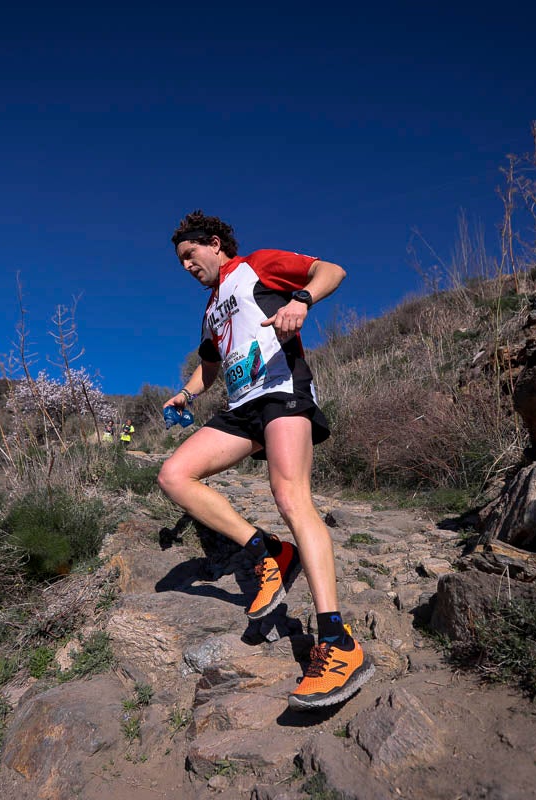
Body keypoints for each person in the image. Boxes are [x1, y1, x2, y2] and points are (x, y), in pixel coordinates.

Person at [156, 210, 373, 709]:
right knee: (174, 474)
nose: (187, 266)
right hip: (241, 408)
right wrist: (187, 393)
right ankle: (267, 550)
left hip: (281, 392)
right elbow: (210, 364)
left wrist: (302, 299)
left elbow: (332, 270)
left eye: (191, 256)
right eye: (181, 263)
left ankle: (338, 642)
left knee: (291, 497)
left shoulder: (258, 265)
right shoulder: (212, 310)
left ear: (214, 244)